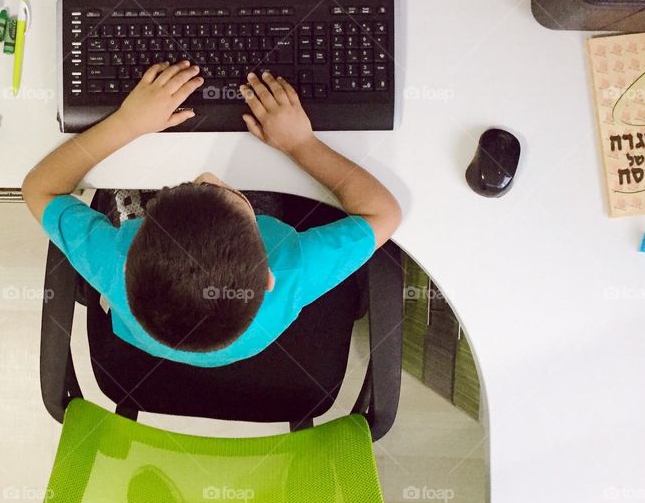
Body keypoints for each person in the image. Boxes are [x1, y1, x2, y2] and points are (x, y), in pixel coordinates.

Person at [22, 61, 401, 367]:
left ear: (129, 258)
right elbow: (384, 213)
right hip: (244, 337)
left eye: (188, 187)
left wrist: (127, 123)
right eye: (221, 191)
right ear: (268, 278)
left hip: (155, 335)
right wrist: (301, 144)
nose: (207, 175)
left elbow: (39, 187)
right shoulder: (290, 269)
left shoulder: (117, 264)